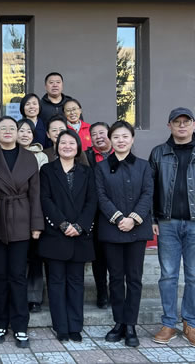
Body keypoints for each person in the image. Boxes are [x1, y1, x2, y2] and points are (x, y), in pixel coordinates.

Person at [150, 108, 195, 348]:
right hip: (167, 223)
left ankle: (190, 324)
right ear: (169, 125)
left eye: (186, 122)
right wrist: (152, 219)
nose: (182, 126)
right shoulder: (159, 153)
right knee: (168, 276)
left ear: (194, 124)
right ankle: (168, 324)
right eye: (177, 122)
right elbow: (150, 188)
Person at [0, 116, 44, 348]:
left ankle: (21, 325)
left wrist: (36, 225)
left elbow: (35, 194)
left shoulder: (29, 157)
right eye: (2, 128)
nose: (7, 131)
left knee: (18, 276)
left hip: (22, 221)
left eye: (11, 128)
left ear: (17, 132)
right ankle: (0, 323)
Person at [95, 121, 153, 347]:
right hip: (112, 229)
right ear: (110, 140)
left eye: (125, 136)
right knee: (116, 278)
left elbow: (148, 194)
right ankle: (119, 322)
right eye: (116, 137)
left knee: (134, 278)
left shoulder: (144, 166)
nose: (120, 140)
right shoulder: (101, 168)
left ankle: (131, 325)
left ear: (132, 139)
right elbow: (101, 196)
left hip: (137, 230)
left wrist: (133, 219)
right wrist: (119, 218)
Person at [38, 130, 96, 342]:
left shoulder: (87, 171)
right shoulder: (47, 170)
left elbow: (92, 201)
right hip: (56, 235)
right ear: (56, 146)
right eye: (63, 142)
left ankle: (75, 326)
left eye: (72, 142)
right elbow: (45, 199)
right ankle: (61, 327)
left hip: (79, 236)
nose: (67, 146)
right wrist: (62, 224)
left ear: (78, 147)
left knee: (76, 282)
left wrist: (79, 226)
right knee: (56, 283)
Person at [16, 118, 48, 313]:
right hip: (14, 212)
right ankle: (17, 296)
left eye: (29, 131)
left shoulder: (40, 156)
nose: (25, 134)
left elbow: (40, 187)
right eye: (21, 130)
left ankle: (34, 297)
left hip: (35, 209)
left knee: (35, 257)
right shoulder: (6, 154)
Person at [85, 121, 114, 309]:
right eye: (94, 134)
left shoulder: (121, 153)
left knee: (116, 257)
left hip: (118, 213)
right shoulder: (86, 156)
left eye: (101, 133)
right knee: (99, 257)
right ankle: (102, 292)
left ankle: (117, 291)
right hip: (96, 214)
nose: (98, 137)